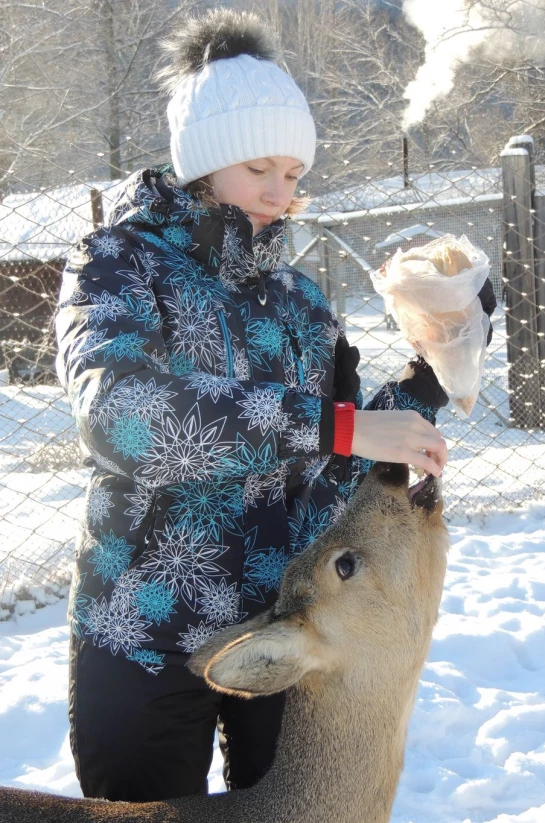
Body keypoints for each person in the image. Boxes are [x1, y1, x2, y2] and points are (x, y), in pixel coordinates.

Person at [55, 8, 492, 805]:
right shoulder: (116, 264)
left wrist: (435, 367)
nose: (280, 193)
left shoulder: (298, 299)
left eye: (294, 174)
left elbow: (332, 463)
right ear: (203, 160)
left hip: (285, 631)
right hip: (144, 634)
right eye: (261, 167)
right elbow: (121, 414)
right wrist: (342, 424)